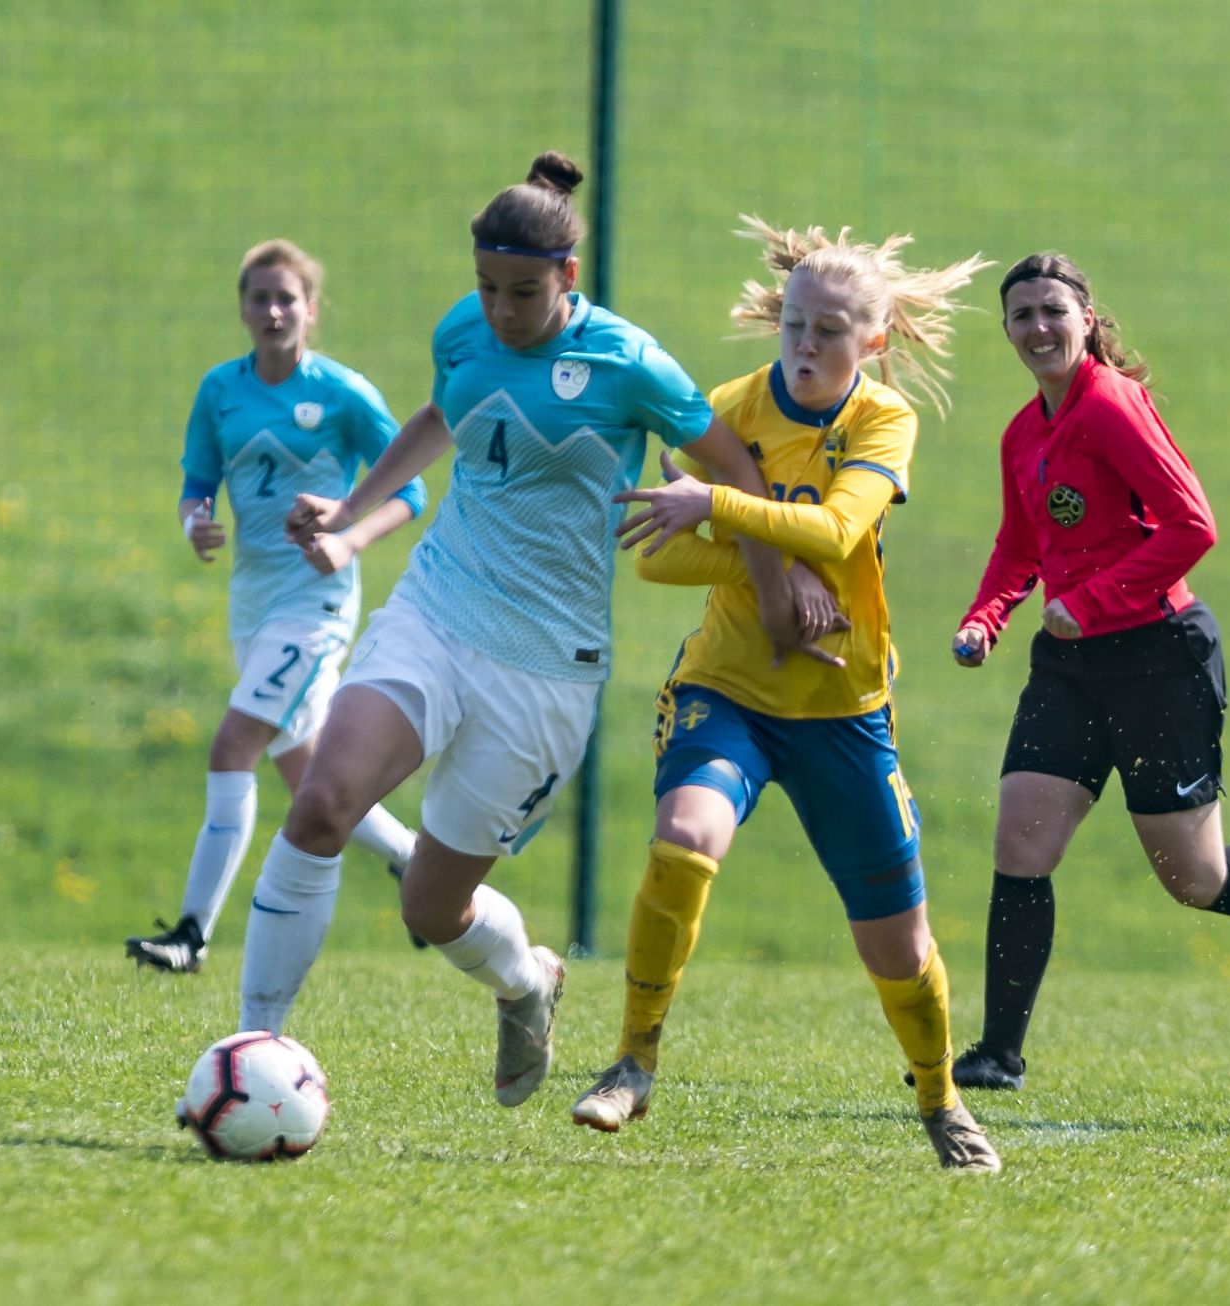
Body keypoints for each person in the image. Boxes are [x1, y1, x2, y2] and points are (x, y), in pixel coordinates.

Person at [222, 153, 832, 1110]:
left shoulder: (629, 364)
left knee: (431, 904)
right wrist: (347, 510)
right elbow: (443, 414)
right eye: (486, 288)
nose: (500, 311)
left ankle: (526, 982)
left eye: (522, 293)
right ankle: (254, 1046)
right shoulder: (463, 331)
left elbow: (739, 475)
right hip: (438, 608)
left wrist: (775, 587)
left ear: (568, 278)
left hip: (548, 665)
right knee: (323, 803)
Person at [578, 218, 1002, 1171]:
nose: (805, 345)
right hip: (727, 687)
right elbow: (656, 558)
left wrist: (721, 507)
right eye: (795, 324)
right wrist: (762, 566)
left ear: (874, 342)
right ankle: (633, 1062)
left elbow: (842, 528)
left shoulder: (884, 421)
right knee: (685, 834)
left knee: (899, 946)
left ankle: (940, 1101)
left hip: (844, 709)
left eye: (830, 331)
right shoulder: (729, 408)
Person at [941, 251, 1230, 1090]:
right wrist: (985, 616)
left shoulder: (1112, 404)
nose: (1038, 327)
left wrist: (1092, 601)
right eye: (1022, 315)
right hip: (1069, 665)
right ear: (1005, 330)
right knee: (1021, 839)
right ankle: (998, 1053)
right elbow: (1018, 546)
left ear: (1086, 320)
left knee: (1194, 878)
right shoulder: (1021, 433)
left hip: (1158, 656)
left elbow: (1193, 525)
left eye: (1053, 311)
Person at [124, 240, 427, 973]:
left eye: (286, 298)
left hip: (315, 605)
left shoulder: (344, 393)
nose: (273, 311)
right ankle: (418, 862)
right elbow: (196, 485)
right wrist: (193, 523)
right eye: (259, 298)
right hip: (253, 604)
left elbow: (411, 490)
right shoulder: (220, 391)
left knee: (233, 745)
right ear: (242, 309)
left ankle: (192, 935)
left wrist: (348, 542)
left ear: (311, 310)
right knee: (312, 780)